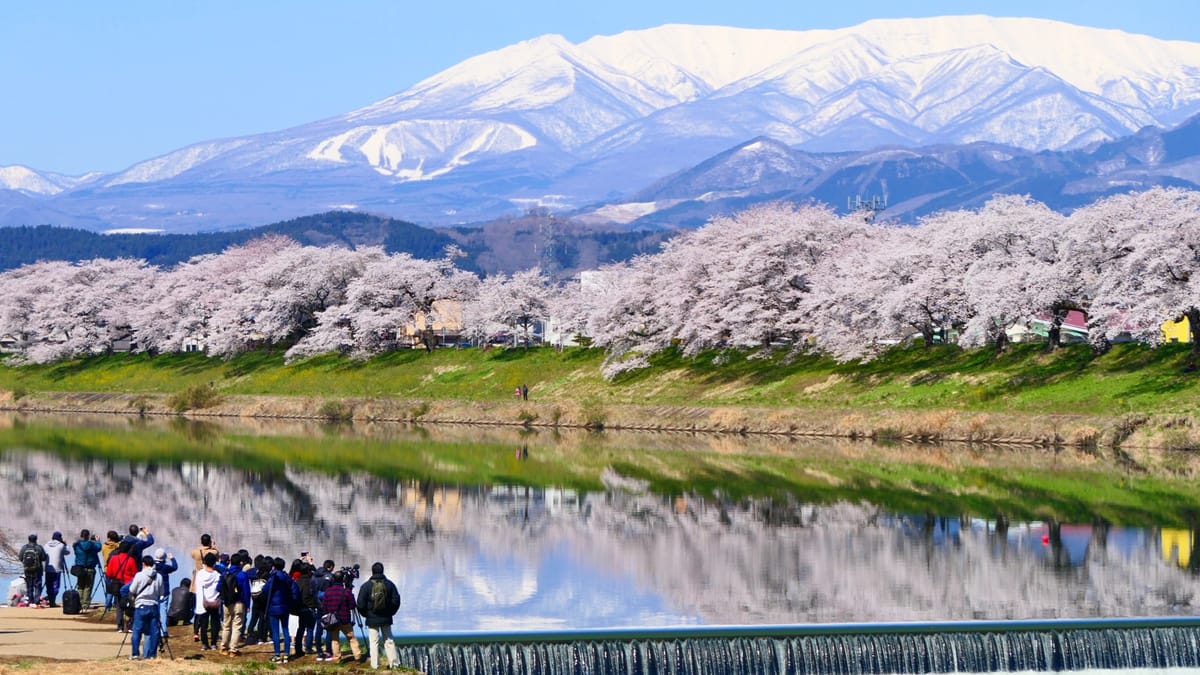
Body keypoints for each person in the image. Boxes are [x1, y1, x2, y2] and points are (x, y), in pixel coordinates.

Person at [356, 562, 401, 670]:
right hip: (386, 618)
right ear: (383, 571)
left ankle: (375, 665)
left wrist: (366, 614)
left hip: (372, 618)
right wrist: (391, 612)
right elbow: (396, 600)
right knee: (389, 640)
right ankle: (394, 664)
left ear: (372, 571)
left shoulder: (366, 586)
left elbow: (360, 604)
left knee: (374, 642)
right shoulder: (390, 584)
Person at [319, 571, 363, 663]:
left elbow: (324, 608)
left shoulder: (328, 592)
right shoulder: (346, 592)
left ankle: (337, 659)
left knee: (335, 640)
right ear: (343, 580)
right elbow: (352, 606)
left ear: (333, 579)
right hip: (345, 619)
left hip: (333, 620)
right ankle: (358, 657)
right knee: (352, 638)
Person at [127, 555, 165, 660]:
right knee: (154, 632)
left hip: (141, 606)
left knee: (137, 631)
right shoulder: (159, 576)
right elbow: (162, 593)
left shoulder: (139, 575)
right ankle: (152, 654)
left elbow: (132, 589)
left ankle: (135, 653)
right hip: (153, 606)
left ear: (143, 564)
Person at [219, 552, 251, 656]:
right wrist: (247, 605)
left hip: (227, 603)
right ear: (240, 563)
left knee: (226, 625)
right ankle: (233, 650)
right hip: (239, 603)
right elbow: (246, 591)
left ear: (230, 562)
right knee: (237, 626)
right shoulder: (242, 575)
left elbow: (218, 588)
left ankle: (223, 647)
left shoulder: (225, 573)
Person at [262, 557, 293, 663]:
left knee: (275, 632)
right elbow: (292, 589)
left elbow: (264, 589)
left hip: (273, 608)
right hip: (285, 607)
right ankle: (286, 654)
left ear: (274, 566)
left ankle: (277, 655)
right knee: (286, 630)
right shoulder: (286, 577)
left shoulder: (273, 577)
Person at [105, 540, 139, 632]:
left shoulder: (114, 558)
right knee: (131, 604)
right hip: (128, 585)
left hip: (117, 584)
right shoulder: (131, 560)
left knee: (119, 605)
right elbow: (135, 574)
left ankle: (120, 626)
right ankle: (130, 625)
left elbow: (109, 573)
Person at [193, 552, 221, 650]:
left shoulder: (200, 574)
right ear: (214, 563)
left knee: (204, 624)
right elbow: (219, 588)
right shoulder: (217, 575)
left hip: (203, 602)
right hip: (214, 602)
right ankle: (213, 643)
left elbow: (198, 588)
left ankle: (204, 644)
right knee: (215, 623)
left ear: (205, 562)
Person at [292, 559, 318, 659]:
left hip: (300, 607)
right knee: (310, 628)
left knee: (301, 628)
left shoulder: (297, 581)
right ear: (308, 571)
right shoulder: (311, 581)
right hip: (310, 607)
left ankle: (298, 648)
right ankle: (308, 647)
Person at [311, 559, 336, 661]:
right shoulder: (330, 577)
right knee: (329, 627)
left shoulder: (314, 576)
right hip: (328, 606)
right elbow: (334, 591)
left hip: (318, 604)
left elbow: (311, 591)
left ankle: (319, 651)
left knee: (319, 628)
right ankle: (329, 650)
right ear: (330, 567)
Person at [72, 529, 102, 608]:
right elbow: (99, 548)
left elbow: (75, 549)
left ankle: (78, 602)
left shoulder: (76, 545)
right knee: (88, 586)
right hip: (90, 568)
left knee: (80, 586)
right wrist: (97, 541)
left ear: (81, 536)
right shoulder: (92, 545)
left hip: (80, 568)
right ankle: (85, 604)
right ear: (88, 536)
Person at [17, 534, 47, 606]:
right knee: (37, 585)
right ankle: (36, 601)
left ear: (28, 539)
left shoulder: (24, 548)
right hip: (37, 570)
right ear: (36, 539)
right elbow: (44, 558)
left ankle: (30, 601)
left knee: (29, 586)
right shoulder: (39, 548)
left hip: (27, 570)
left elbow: (20, 558)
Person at [153, 548, 179, 627]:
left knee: (155, 611)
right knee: (163, 611)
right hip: (165, 591)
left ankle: (155, 628)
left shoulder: (152, 566)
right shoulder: (165, 567)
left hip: (154, 591)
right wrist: (172, 558)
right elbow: (175, 567)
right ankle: (164, 631)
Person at [43, 531, 70, 608]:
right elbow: (68, 552)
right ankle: (52, 601)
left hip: (48, 568)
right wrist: (66, 545)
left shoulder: (46, 545)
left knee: (49, 585)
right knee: (55, 585)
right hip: (57, 569)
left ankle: (50, 599)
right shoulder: (61, 545)